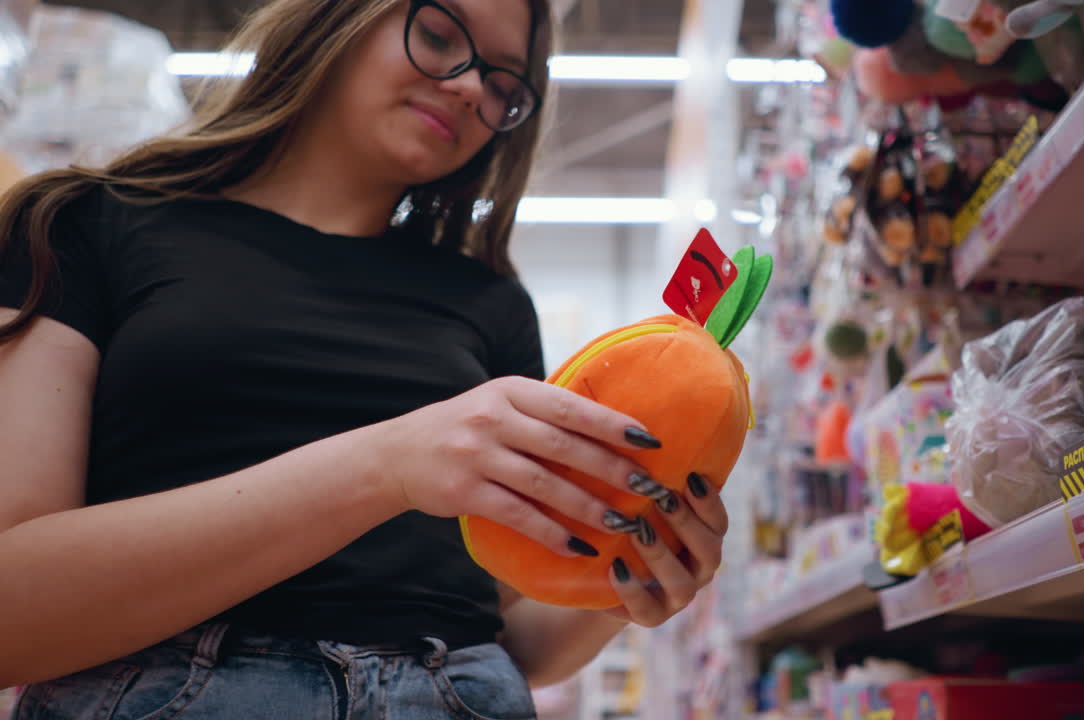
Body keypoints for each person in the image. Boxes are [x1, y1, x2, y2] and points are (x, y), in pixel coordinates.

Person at [0, 0, 730, 717]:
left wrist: (626, 583)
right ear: (337, 16)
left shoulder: (492, 303)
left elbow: (511, 630)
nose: (472, 88)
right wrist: (388, 467)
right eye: (440, 35)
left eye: (506, 86)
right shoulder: (78, 227)